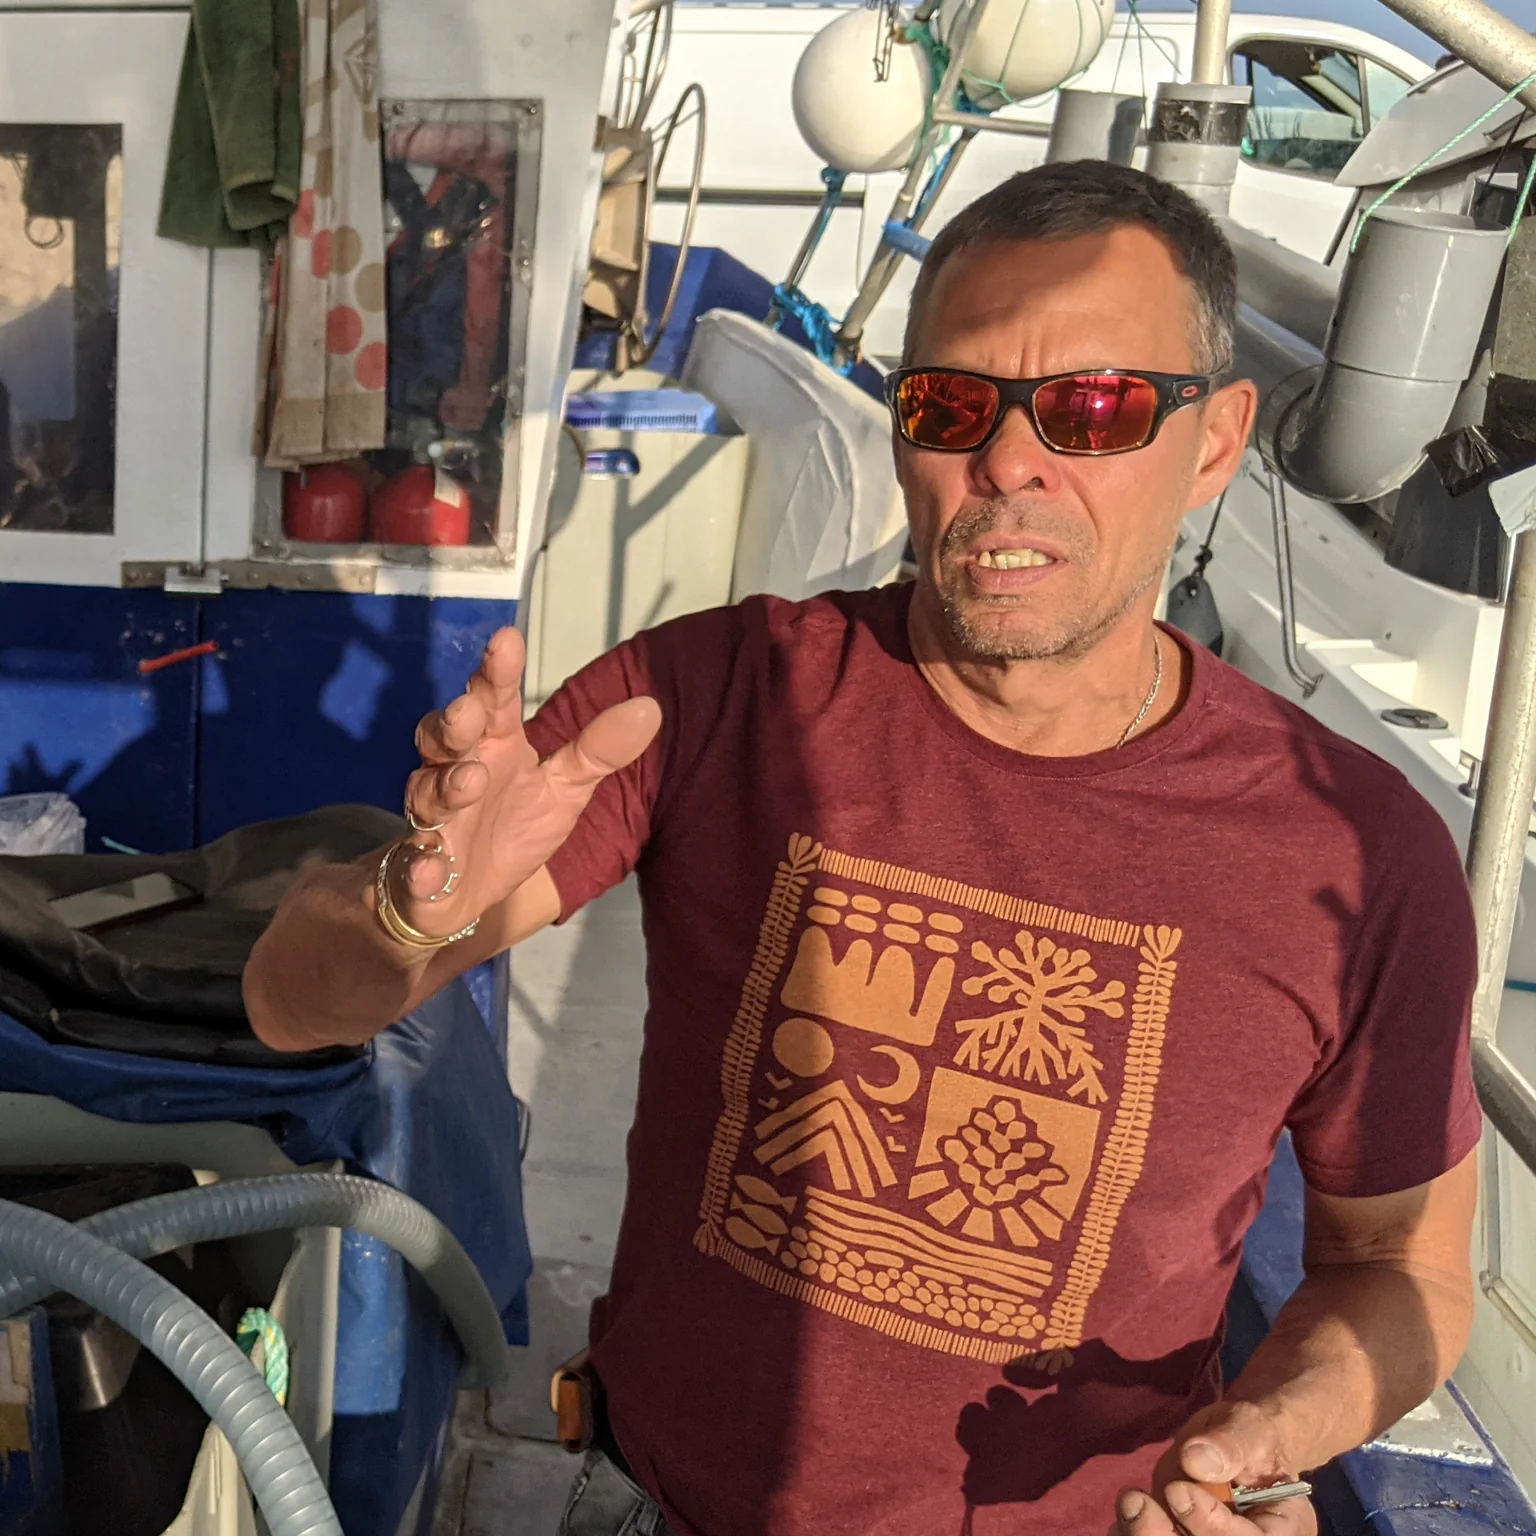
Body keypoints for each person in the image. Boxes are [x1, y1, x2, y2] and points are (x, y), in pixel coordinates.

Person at [244, 160, 1480, 1536]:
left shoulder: (1357, 854)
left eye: (1093, 409)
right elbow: (289, 1003)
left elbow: (1404, 1268)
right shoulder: (712, 695)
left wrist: (1269, 1437)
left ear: (1213, 440)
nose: (1010, 461)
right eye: (953, 405)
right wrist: (413, 909)